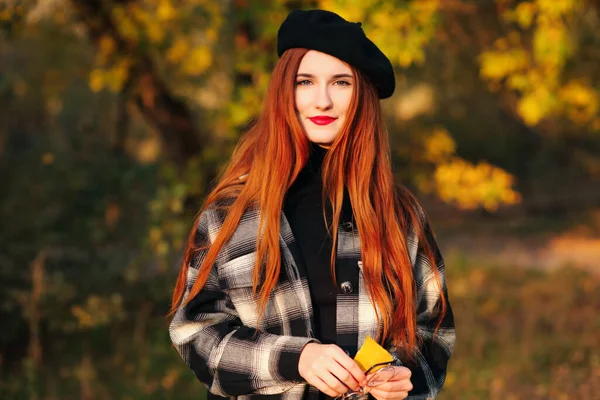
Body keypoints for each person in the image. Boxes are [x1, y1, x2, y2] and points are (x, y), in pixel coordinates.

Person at [168, 9, 455, 400]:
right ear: (286, 92)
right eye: (306, 82)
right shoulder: (231, 212)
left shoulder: (399, 214)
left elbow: (433, 331)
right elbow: (196, 332)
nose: (322, 100)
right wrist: (297, 358)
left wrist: (404, 376)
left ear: (362, 96)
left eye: (340, 82)